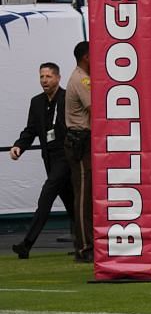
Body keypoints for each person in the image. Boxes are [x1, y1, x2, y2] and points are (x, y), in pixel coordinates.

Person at [8, 60, 69, 258]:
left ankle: (26, 244)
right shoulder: (36, 102)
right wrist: (19, 145)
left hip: (66, 157)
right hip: (49, 159)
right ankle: (86, 244)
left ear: (58, 78)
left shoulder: (68, 98)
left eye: (48, 76)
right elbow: (31, 130)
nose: (44, 80)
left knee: (45, 198)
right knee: (73, 203)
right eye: (41, 76)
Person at [64, 40, 91, 262]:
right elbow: (96, 107)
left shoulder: (81, 77)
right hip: (80, 141)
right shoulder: (82, 79)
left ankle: (86, 243)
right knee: (83, 196)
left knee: (87, 195)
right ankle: (83, 247)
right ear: (86, 57)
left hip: (82, 140)